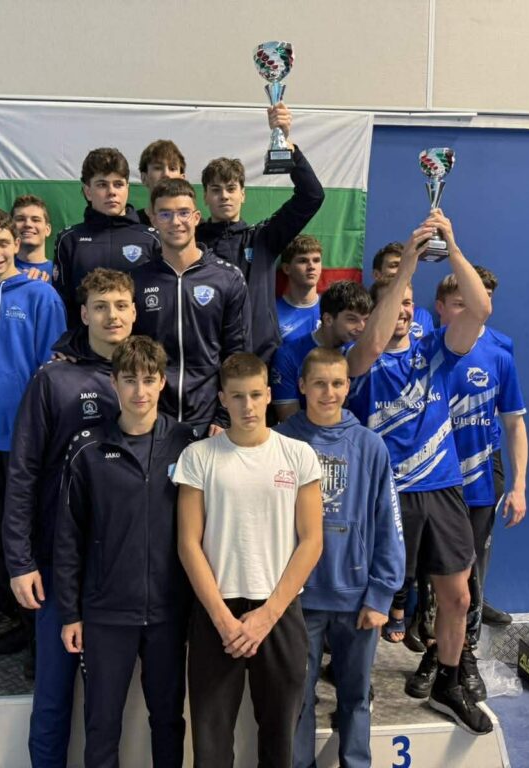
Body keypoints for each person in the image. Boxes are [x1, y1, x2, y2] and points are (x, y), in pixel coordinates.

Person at [345, 210, 494, 735]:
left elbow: (480, 308)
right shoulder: (357, 359)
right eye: (396, 301)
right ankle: (355, 686)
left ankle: (448, 682)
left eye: (410, 302)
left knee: (458, 596)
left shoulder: (438, 350)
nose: (404, 310)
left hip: (443, 489)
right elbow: (372, 345)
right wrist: (405, 266)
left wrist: (452, 246)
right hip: (387, 495)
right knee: (375, 601)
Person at [3, 268, 137, 768]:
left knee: (110, 703)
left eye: (120, 305)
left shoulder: (149, 379)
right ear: (83, 314)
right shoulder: (53, 380)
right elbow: (22, 472)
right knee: (54, 696)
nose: (111, 316)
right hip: (60, 564)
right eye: (100, 306)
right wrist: (20, 560)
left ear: (134, 312)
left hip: (123, 569)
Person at [175, 352, 323, 767]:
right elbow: (188, 544)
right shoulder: (199, 456)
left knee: (279, 744)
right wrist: (223, 620)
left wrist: (267, 615)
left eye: (256, 395)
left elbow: (312, 541)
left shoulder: (298, 455)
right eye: (237, 396)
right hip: (215, 613)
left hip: (279, 612)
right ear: (223, 398)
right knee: (211, 749)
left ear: (269, 395)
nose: (248, 406)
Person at [54, 336, 195, 768]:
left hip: (169, 613)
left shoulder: (186, 443)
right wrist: (70, 613)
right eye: (130, 380)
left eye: (149, 380)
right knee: (101, 725)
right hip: (105, 614)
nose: (140, 391)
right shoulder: (87, 448)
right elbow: (68, 537)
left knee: (168, 720)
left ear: (162, 382)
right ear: (114, 383)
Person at [276, 347, 405, 768]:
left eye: (336, 383)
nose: (328, 392)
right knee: (297, 698)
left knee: (355, 697)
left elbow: (389, 524)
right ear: (302, 386)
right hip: (299, 600)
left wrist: (381, 595)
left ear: (348, 387)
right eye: (319, 384)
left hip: (357, 600)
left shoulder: (370, 446)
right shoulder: (281, 441)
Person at [0, 206, 66, 658]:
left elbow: (53, 371)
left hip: (28, 443)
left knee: (34, 541)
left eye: (3, 243)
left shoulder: (41, 296)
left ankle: (43, 639)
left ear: (16, 244)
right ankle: (23, 625)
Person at [435, 266, 528, 654]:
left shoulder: (500, 352)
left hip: (482, 471)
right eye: (461, 303)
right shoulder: (426, 350)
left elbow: (514, 423)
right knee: (435, 566)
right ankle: (427, 639)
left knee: (472, 558)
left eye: (480, 300)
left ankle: (466, 644)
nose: (472, 309)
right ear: (441, 307)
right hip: (434, 475)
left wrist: (519, 486)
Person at [196, 104, 325, 364]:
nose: (224, 196)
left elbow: (312, 196)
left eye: (231, 188)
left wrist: (288, 147)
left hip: (260, 359)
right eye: (216, 190)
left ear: (243, 194)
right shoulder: (193, 244)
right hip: (208, 361)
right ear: (205, 196)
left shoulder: (264, 238)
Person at [131, 178, 250, 436]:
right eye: (165, 214)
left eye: (183, 213)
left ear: (196, 217)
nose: (176, 222)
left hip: (210, 421)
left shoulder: (227, 278)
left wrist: (224, 414)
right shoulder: (137, 280)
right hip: (152, 418)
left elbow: (237, 354)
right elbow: (120, 343)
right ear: (153, 219)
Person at [52, 148, 161, 325]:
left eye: (118, 184)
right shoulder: (69, 240)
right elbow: (61, 304)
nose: (111, 192)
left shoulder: (152, 239)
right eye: (102, 185)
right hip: (85, 341)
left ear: (127, 188)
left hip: (139, 341)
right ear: (88, 191)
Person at [271, 280, 372, 422]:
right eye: (352, 319)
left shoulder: (360, 350)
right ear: (328, 319)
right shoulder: (288, 355)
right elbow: (290, 422)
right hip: (305, 434)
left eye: (365, 320)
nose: (361, 327)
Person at [371, 241, 434, 340]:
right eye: (394, 265)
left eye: (405, 266)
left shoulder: (422, 316)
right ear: (376, 275)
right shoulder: (364, 315)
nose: (402, 271)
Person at [276, 235, 323, 341]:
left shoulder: (334, 309)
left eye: (316, 260)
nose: (312, 266)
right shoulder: (272, 313)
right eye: (303, 261)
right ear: (286, 268)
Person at [137, 139, 186, 226]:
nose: (166, 174)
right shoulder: (132, 223)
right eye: (158, 168)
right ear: (144, 178)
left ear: (182, 179)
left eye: (172, 168)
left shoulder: (197, 227)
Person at [11, 194, 55, 277]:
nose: (28, 224)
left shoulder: (60, 273)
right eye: (20, 219)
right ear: (11, 228)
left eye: (35, 220)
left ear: (47, 230)